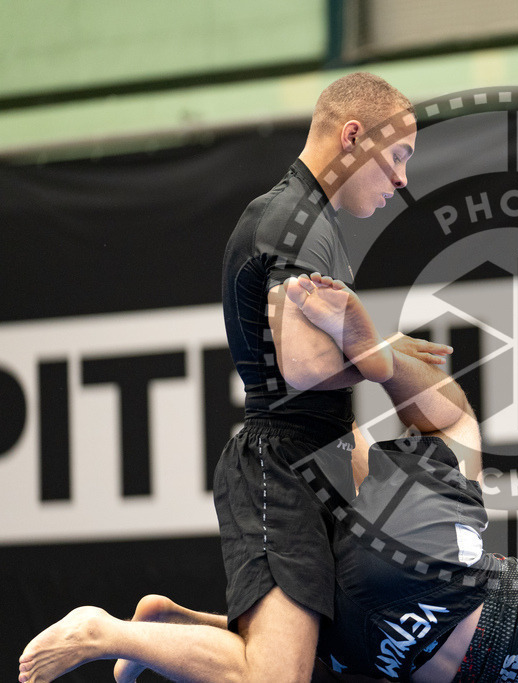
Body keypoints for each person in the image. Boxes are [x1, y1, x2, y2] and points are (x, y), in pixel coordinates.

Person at [20, 330, 518, 683]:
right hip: (388, 646)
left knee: (453, 427)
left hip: (430, 593)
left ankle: (365, 358)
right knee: (271, 668)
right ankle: (156, 629)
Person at [19, 72, 428, 683]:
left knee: (323, 654)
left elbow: (323, 382)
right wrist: (380, 353)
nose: (401, 179)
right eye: (397, 156)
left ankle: (166, 628)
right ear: (352, 136)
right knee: (275, 677)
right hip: (280, 471)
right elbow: (303, 368)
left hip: (317, 461)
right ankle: (101, 631)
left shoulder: (313, 224)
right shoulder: (291, 224)